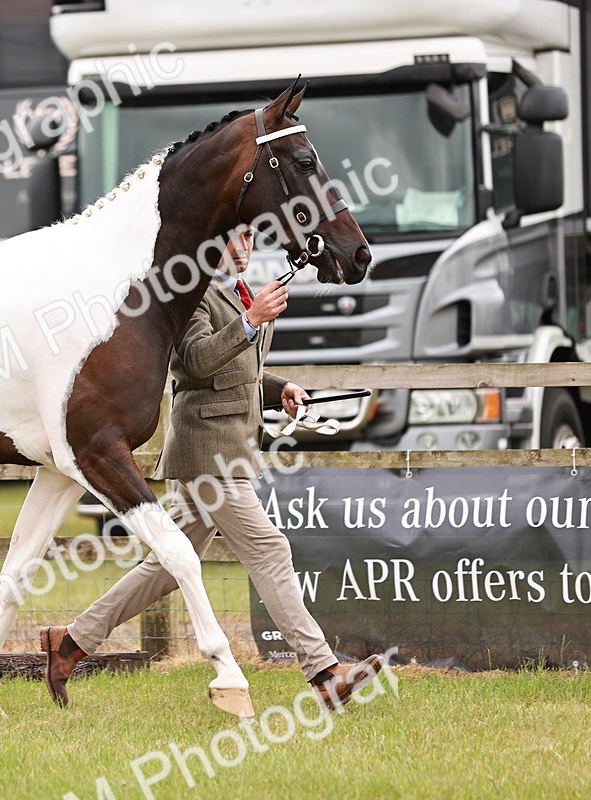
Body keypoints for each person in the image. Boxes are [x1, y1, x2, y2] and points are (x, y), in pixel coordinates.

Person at [39, 224, 382, 711]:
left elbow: (239, 369)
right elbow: (195, 362)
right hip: (207, 454)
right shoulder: (190, 294)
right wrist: (249, 320)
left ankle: (70, 643)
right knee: (268, 550)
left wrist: (277, 388)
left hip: (228, 448)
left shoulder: (237, 291)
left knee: (164, 565)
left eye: (249, 239)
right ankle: (323, 671)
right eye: (236, 238)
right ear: (209, 243)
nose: (247, 248)